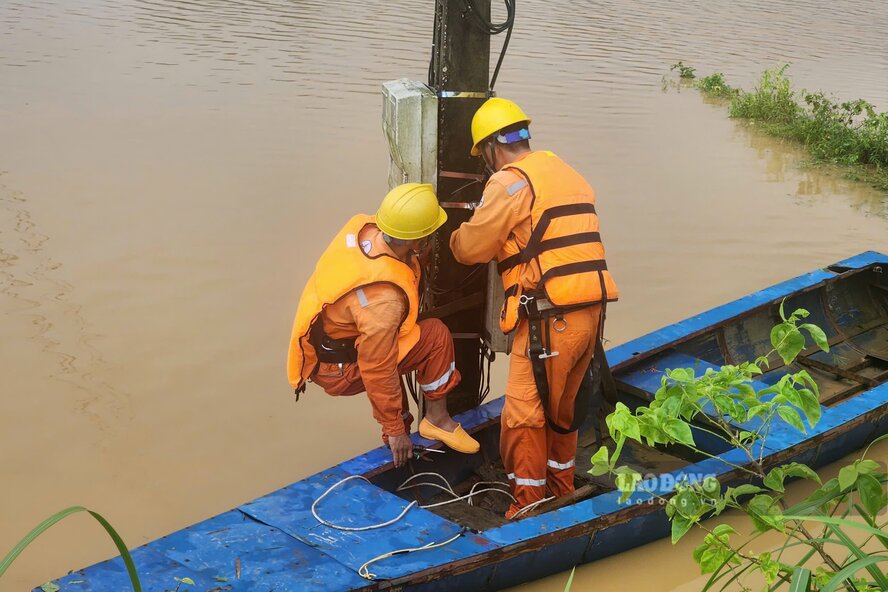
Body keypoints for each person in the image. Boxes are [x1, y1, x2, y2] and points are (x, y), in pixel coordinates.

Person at [450, 98, 619, 518]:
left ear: (491, 148)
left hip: (550, 320)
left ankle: (528, 506)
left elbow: (471, 249)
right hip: (589, 312)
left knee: (524, 412)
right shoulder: (565, 171)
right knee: (562, 409)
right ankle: (561, 489)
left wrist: (453, 237)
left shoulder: (510, 183)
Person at [287, 183, 480, 468]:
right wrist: (395, 430)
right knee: (435, 336)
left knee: (398, 342)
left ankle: (397, 423)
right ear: (417, 242)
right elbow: (377, 366)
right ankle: (436, 420)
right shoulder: (383, 301)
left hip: (328, 349)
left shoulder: (361, 228)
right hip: (342, 368)